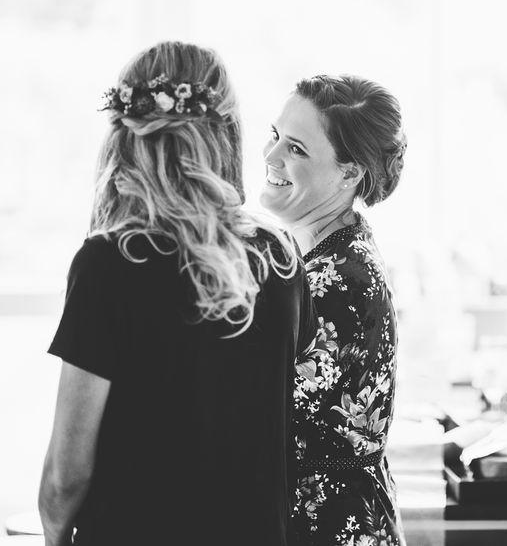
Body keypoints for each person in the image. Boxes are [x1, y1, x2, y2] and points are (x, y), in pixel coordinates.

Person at [38, 41, 314, 546]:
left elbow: (66, 476)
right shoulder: (279, 256)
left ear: (124, 136)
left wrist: (56, 535)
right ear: (225, 134)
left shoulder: (111, 261)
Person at [260, 74, 407, 546]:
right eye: (275, 136)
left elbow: (258, 408)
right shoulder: (332, 254)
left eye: (296, 149)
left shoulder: (337, 280)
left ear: (349, 173)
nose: (271, 156)